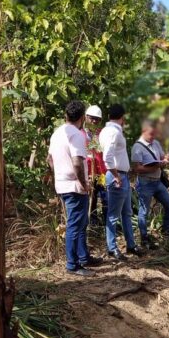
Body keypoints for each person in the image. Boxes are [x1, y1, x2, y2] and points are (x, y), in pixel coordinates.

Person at [47, 100, 102, 276]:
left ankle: (83, 257)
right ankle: (73, 264)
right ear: (82, 117)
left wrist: (60, 173)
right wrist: (83, 183)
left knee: (80, 222)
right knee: (75, 225)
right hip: (74, 186)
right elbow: (78, 163)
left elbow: (49, 159)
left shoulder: (57, 133)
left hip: (63, 183)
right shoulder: (76, 134)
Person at [99, 104, 143, 260]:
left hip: (121, 175)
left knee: (126, 213)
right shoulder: (112, 132)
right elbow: (107, 156)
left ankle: (131, 245)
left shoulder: (108, 130)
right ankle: (112, 248)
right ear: (122, 117)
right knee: (113, 214)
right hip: (117, 176)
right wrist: (116, 175)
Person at [131, 119, 169, 249]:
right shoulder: (137, 147)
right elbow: (137, 169)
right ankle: (144, 238)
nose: (153, 137)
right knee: (144, 212)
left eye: (154, 134)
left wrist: (166, 158)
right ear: (143, 132)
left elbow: (162, 157)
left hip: (157, 182)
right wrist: (154, 168)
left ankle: (166, 229)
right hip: (145, 183)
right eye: (151, 134)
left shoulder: (155, 143)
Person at [83, 104, 108, 226]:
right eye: (91, 118)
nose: (94, 121)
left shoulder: (102, 134)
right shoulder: (81, 133)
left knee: (105, 197)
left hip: (101, 173)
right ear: (86, 117)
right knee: (90, 198)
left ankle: (106, 223)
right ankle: (92, 221)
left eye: (97, 119)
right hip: (88, 172)